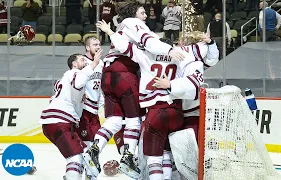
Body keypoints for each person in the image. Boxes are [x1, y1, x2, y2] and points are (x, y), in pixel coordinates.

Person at [100, 20, 219, 180]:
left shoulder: (147, 54)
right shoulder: (184, 55)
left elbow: (125, 47)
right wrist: (209, 42)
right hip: (177, 113)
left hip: (156, 112)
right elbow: (208, 58)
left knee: (156, 159)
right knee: (170, 155)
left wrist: (110, 32)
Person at [85, 1, 185, 178]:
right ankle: (128, 158)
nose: (145, 15)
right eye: (142, 12)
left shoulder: (124, 28)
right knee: (134, 120)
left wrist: (109, 32)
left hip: (108, 75)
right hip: (124, 73)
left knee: (115, 120)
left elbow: (126, 45)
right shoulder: (134, 22)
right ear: (133, 13)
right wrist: (169, 49)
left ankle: (93, 151)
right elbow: (150, 42)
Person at [39, 51, 103, 179]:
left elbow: (60, 86)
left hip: (52, 123)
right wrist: (95, 63)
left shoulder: (65, 77)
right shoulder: (76, 73)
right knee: (75, 158)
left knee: (81, 153)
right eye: (81, 60)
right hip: (60, 121)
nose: (85, 62)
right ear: (74, 64)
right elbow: (78, 82)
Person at [74, 36, 105, 179]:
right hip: (83, 111)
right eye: (94, 45)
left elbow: (101, 86)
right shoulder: (82, 63)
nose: (98, 47)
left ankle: (90, 175)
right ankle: (75, 174)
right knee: (84, 146)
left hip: (95, 111)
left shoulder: (101, 64)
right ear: (87, 47)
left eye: (99, 44)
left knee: (95, 147)